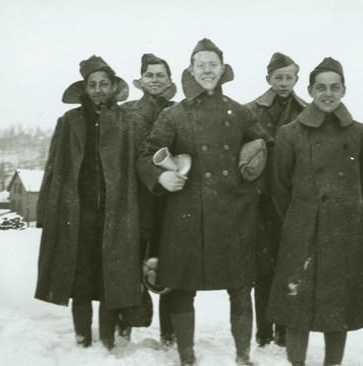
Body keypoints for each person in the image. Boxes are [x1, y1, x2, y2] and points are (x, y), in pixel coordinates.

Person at [137, 38, 271, 366]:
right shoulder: (175, 114)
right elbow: (147, 152)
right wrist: (160, 177)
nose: (208, 71)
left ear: (223, 70)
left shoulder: (240, 112)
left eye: (213, 65)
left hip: (234, 214)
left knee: (241, 287)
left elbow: (266, 148)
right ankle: (187, 358)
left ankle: (243, 357)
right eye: (201, 65)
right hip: (185, 215)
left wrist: (253, 178)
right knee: (182, 288)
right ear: (191, 71)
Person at [268, 57, 363, 366]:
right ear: (310, 90)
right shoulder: (290, 133)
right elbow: (279, 187)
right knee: (297, 307)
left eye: (334, 87)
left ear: (344, 90)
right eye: (321, 87)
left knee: (338, 307)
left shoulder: (359, 132)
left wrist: (357, 212)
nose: (327, 94)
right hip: (302, 229)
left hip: (344, 231)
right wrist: (300, 216)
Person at [34, 55, 143, 350]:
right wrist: (45, 210)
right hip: (77, 214)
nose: (98, 90)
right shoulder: (69, 122)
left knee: (112, 277)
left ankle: (107, 340)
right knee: (79, 277)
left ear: (113, 87)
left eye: (103, 84)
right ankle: (82, 339)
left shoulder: (127, 121)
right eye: (92, 84)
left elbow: (137, 167)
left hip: (116, 214)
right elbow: (53, 167)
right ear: (85, 89)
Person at [245, 52, 307, 348]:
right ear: (268, 78)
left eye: (289, 77)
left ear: (297, 79)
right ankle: (263, 330)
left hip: (294, 201)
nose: (283, 83)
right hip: (260, 202)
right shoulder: (250, 110)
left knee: (290, 267)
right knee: (263, 268)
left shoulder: (307, 112)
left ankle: (284, 329)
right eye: (278, 77)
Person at [121, 53, 177, 346]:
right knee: (131, 263)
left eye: (161, 75)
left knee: (168, 265)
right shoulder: (126, 113)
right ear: (141, 80)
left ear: (170, 81)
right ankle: (125, 330)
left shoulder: (180, 111)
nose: (155, 80)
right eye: (150, 75)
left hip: (171, 202)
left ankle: (169, 335)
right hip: (134, 201)